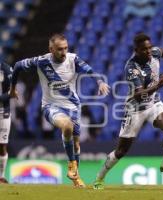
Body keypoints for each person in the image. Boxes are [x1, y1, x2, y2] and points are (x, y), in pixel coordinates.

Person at [9, 33, 110, 187]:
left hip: (73, 107)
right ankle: (71, 165)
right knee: (66, 125)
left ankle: (76, 177)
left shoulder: (73, 59)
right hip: (51, 106)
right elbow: (17, 66)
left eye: (65, 48)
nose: (63, 52)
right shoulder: (41, 61)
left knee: (76, 145)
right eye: (59, 49)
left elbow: (89, 70)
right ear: (51, 49)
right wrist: (12, 88)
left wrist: (100, 82)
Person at [93, 33, 163, 189]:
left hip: (154, 104)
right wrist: (158, 85)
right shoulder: (132, 67)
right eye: (144, 49)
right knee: (121, 151)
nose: (148, 52)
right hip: (135, 109)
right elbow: (139, 95)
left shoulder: (154, 52)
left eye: (149, 48)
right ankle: (99, 178)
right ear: (136, 50)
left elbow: (161, 51)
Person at [0, 61, 15, 184]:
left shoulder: (6, 69)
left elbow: (12, 92)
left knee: (2, 145)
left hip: (2, 112)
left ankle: (1, 177)